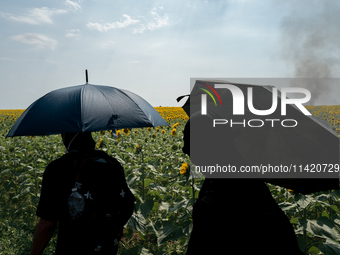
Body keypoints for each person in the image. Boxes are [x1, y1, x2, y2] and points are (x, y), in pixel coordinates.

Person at [182, 115, 305, 255]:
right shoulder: (246, 176)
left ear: (205, 151)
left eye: (193, 152)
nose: (193, 160)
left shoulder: (212, 199)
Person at [30, 132, 135, 255]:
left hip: (73, 248)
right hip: (107, 246)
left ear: (66, 138)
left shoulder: (58, 168)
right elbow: (127, 205)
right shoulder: (112, 163)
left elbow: (46, 225)